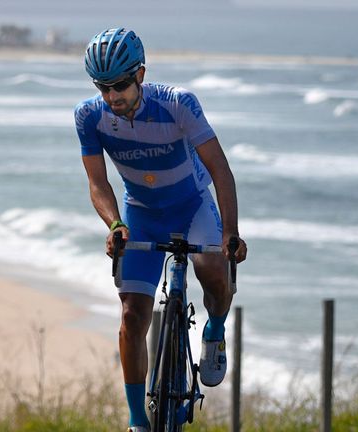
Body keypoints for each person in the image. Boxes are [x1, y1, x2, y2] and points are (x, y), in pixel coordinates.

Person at [74, 28, 248, 431]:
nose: (112, 96)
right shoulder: (89, 116)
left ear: (140, 74)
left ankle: (215, 332)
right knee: (132, 316)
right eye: (103, 87)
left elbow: (220, 169)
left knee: (213, 273)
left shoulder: (178, 103)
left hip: (192, 206)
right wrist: (114, 224)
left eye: (119, 85)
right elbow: (97, 183)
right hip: (142, 212)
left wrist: (231, 233)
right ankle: (138, 421)